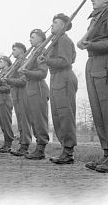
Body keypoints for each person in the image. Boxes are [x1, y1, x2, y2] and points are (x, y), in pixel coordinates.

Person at [77, 0, 108, 172]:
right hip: (93, 64)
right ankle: (105, 154)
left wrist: (91, 44)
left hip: (107, 65)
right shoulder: (95, 18)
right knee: (99, 112)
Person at [39, 13, 78, 164]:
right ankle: (65, 150)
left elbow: (65, 61)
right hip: (56, 78)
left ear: (63, 26)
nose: (52, 25)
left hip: (64, 77)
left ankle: (68, 153)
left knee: (65, 115)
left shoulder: (64, 40)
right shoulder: (55, 41)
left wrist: (46, 60)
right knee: (57, 116)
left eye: (55, 22)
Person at [20, 29, 50, 160]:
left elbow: (43, 73)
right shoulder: (33, 53)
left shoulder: (42, 52)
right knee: (33, 120)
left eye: (33, 37)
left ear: (40, 39)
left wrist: (27, 72)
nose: (30, 40)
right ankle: (38, 147)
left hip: (38, 89)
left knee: (39, 120)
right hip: (30, 88)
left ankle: (41, 149)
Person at [6, 43, 30, 156]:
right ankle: (22, 144)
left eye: (14, 49)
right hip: (16, 93)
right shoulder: (16, 63)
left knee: (24, 120)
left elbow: (23, 80)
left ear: (21, 50)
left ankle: (25, 145)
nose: (13, 51)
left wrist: (9, 80)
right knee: (20, 119)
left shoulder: (25, 61)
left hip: (23, 93)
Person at [0, 56, 14, 153]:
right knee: (2, 123)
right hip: (0, 99)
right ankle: (6, 143)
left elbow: (8, 87)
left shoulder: (9, 72)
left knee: (6, 122)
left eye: (1, 61)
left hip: (5, 99)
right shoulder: (2, 73)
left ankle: (9, 144)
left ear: (6, 62)